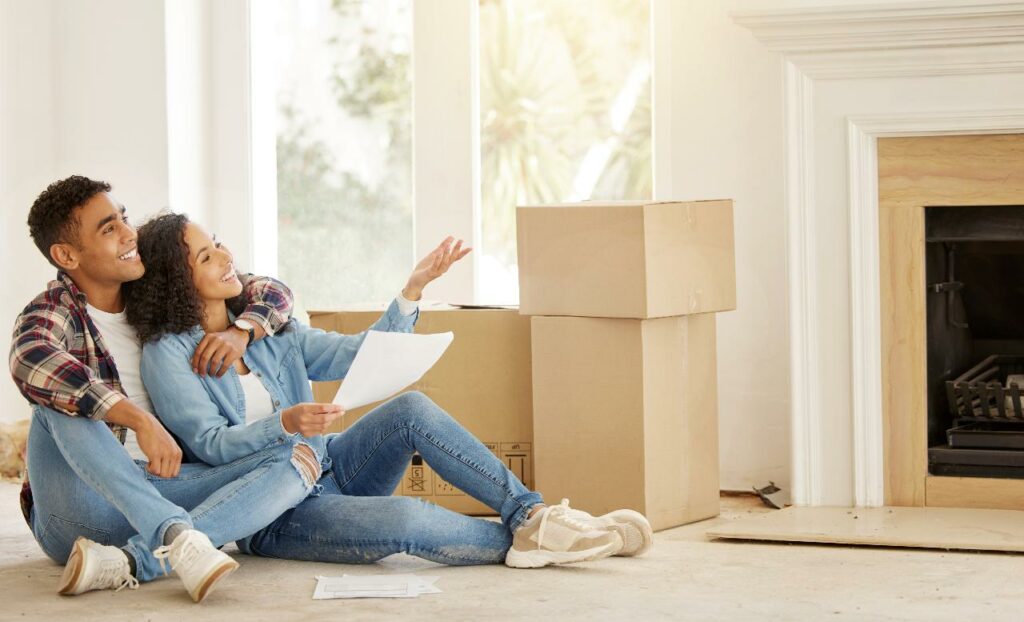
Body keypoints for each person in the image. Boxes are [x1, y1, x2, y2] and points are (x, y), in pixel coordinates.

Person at [129, 212, 654, 569]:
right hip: (277, 515)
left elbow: (354, 354)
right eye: (203, 257)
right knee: (407, 518)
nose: (223, 256)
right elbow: (209, 447)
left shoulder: (264, 327)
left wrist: (412, 291)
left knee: (411, 408)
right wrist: (284, 424)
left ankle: (532, 517)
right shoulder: (167, 355)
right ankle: (557, 542)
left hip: (332, 463)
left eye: (216, 242)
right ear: (176, 279)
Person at [10, 176, 317, 602]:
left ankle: (136, 559)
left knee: (295, 455)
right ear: (67, 255)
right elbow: (31, 361)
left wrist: (242, 330)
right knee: (55, 403)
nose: (127, 233)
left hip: (161, 489)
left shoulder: (148, 290)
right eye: (108, 228)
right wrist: (138, 420)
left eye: (123, 219)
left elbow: (269, 290)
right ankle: (176, 535)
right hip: (79, 511)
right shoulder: (54, 311)